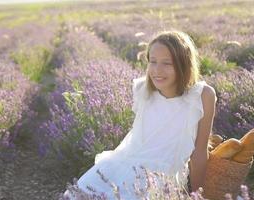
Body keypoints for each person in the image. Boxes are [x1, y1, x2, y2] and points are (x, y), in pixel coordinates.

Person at [63, 30, 217, 199]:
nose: (157, 70)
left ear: (183, 64)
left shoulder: (202, 96)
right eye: (153, 61)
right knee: (80, 193)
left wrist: (197, 195)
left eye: (167, 63)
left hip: (161, 177)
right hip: (123, 164)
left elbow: (200, 153)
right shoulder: (142, 89)